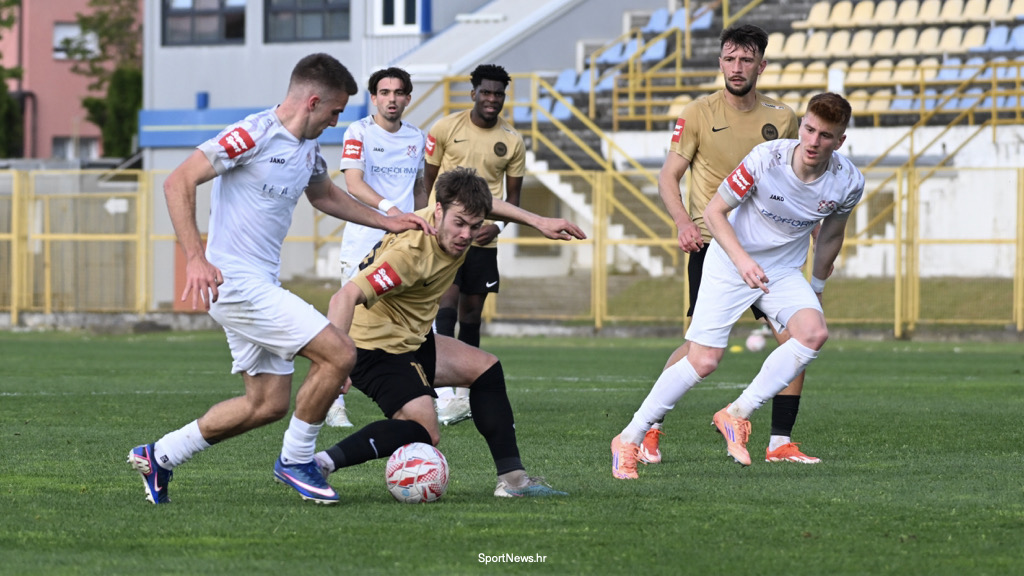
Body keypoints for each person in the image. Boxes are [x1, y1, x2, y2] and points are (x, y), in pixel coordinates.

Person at [126, 53, 433, 505]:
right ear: (312, 102)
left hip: (258, 284)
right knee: (340, 352)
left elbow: (326, 195)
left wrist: (390, 222)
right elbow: (178, 181)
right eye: (334, 112)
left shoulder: (308, 148)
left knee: (266, 404)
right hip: (234, 283)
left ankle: (161, 456)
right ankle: (296, 460)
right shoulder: (253, 134)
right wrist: (195, 256)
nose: (335, 122)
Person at [612, 92, 863, 478]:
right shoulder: (767, 158)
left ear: (840, 141)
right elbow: (714, 212)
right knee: (704, 360)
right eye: (809, 130)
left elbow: (830, 237)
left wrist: (816, 286)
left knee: (813, 333)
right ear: (803, 127)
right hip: (730, 262)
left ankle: (737, 414)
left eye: (825, 136)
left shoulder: (848, 181)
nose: (813, 142)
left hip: (780, 271)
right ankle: (629, 438)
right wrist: (742, 261)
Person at [315, 167, 584, 497]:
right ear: (438, 211)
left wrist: (539, 221)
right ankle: (320, 465)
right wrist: (336, 361)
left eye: (474, 226)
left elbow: (488, 205)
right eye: (459, 224)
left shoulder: (449, 209)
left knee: (485, 370)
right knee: (424, 430)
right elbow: (344, 296)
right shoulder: (411, 254)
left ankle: (514, 483)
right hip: (375, 345)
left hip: (412, 336)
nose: (466, 234)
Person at [640, 24, 808, 467]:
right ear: (720, 62)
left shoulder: (784, 117)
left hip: (768, 251)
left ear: (761, 65)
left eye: (746, 59)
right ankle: (649, 428)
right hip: (714, 245)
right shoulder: (697, 113)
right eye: (730, 59)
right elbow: (667, 176)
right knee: (699, 350)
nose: (737, 68)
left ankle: (779, 443)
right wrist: (682, 221)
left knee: (798, 339)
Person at [422, 64, 526, 426]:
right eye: (486, 92)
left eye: (498, 94)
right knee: (444, 310)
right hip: (445, 239)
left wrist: (496, 226)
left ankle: (464, 394)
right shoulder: (445, 128)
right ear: (474, 93)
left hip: (482, 244)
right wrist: (433, 225)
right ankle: (441, 393)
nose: (492, 99)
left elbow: (513, 199)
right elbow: (429, 184)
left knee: (471, 317)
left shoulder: (512, 141)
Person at [325, 67, 426, 428]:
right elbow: (353, 183)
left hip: (402, 246)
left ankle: (421, 394)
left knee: (410, 318)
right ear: (373, 98)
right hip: (364, 241)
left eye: (399, 92)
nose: (392, 99)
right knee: (344, 323)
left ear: (408, 98)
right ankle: (332, 399)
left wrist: (422, 222)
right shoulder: (359, 132)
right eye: (384, 92)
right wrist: (391, 211)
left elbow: (420, 190)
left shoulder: (418, 138)